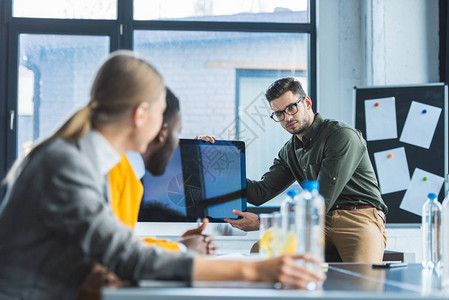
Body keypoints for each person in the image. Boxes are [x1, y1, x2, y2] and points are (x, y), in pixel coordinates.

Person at [0, 53, 324, 299]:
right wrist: (256, 270)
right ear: (141, 115)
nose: (163, 130)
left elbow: (104, 254)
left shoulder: (82, 161)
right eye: (160, 116)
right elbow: (126, 256)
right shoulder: (67, 165)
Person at [202, 77, 387, 263]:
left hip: (358, 218)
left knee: (364, 280)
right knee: (260, 250)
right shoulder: (290, 151)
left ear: (307, 102)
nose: (287, 118)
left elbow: (319, 203)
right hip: (316, 225)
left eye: (291, 108)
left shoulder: (341, 136)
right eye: (279, 113)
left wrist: (261, 223)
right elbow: (260, 193)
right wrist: (219, 164)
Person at [109, 87, 214, 255]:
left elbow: (122, 242)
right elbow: (114, 253)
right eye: (176, 132)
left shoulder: (130, 173)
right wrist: (181, 249)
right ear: (162, 132)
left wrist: (179, 245)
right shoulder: (113, 170)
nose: (176, 145)